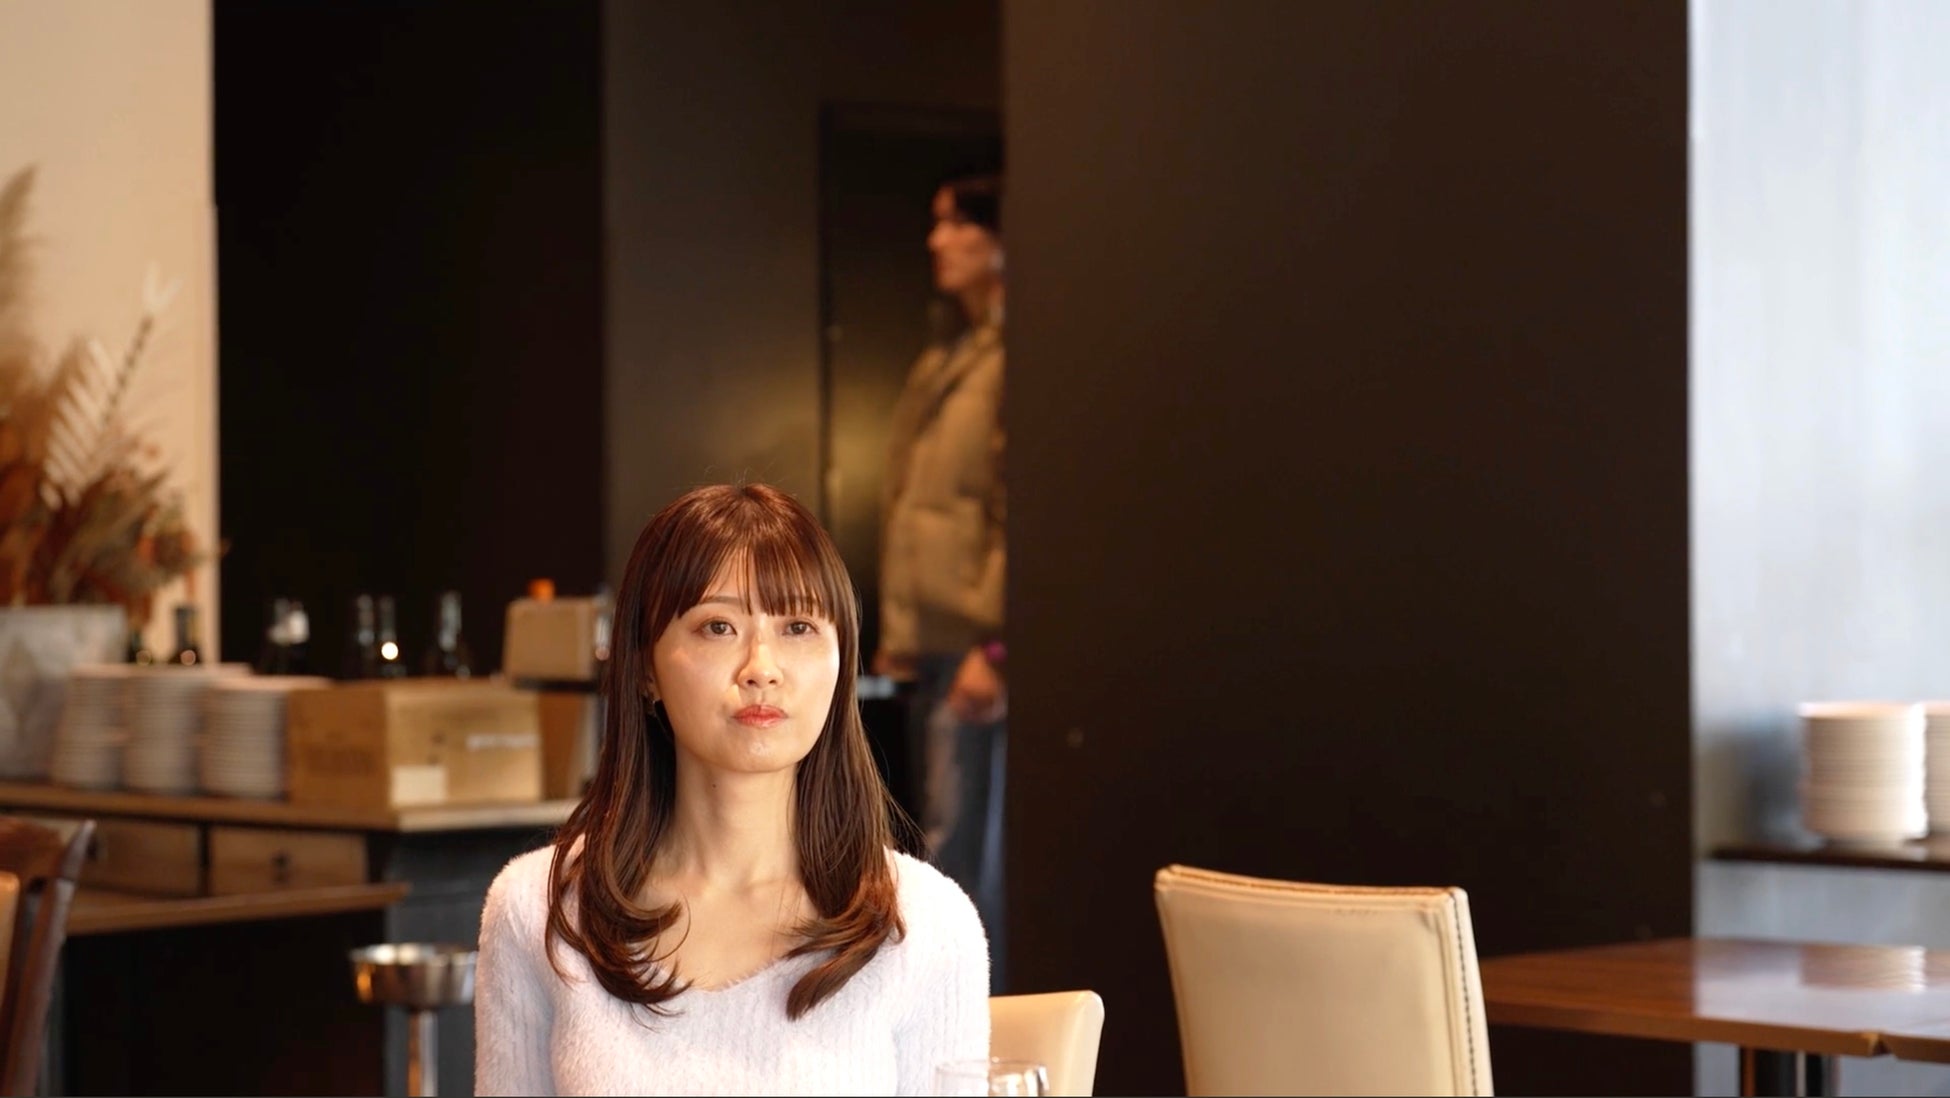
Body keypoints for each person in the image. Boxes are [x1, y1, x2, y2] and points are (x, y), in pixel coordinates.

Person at [475, 484, 989, 1096]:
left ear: (841, 661)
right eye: (717, 627)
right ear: (644, 668)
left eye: (798, 626)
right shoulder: (538, 910)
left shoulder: (926, 924)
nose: (761, 668)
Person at [876, 172, 1008, 973]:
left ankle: (984, 1034)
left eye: (956, 222)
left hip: (978, 657)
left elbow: (1019, 510)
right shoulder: (951, 355)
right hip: (935, 650)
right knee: (942, 853)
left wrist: (997, 649)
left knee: (969, 867)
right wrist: (901, 630)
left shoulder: (1014, 360)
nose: (937, 241)